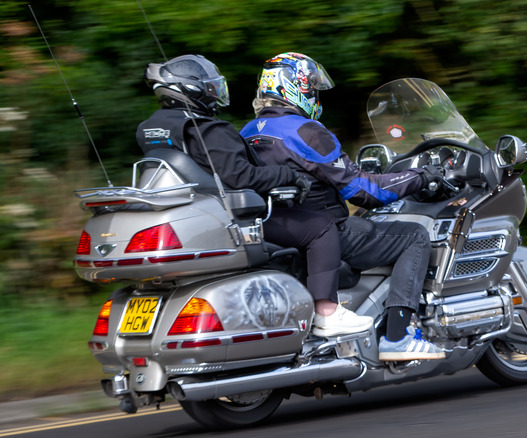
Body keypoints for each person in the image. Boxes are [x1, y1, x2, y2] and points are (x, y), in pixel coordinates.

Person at [137, 54, 372, 337]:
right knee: (320, 227)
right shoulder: (211, 130)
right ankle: (327, 313)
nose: (216, 93)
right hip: (234, 216)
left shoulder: (151, 130)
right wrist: (288, 176)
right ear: (193, 89)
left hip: (197, 214)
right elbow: (242, 177)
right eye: (211, 86)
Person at [240, 52, 447, 361]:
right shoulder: (306, 131)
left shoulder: (248, 131)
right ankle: (398, 335)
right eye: (314, 88)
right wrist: (420, 177)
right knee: (413, 236)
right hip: (327, 229)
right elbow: (364, 191)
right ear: (296, 88)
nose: (316, 96)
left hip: (276, 228)